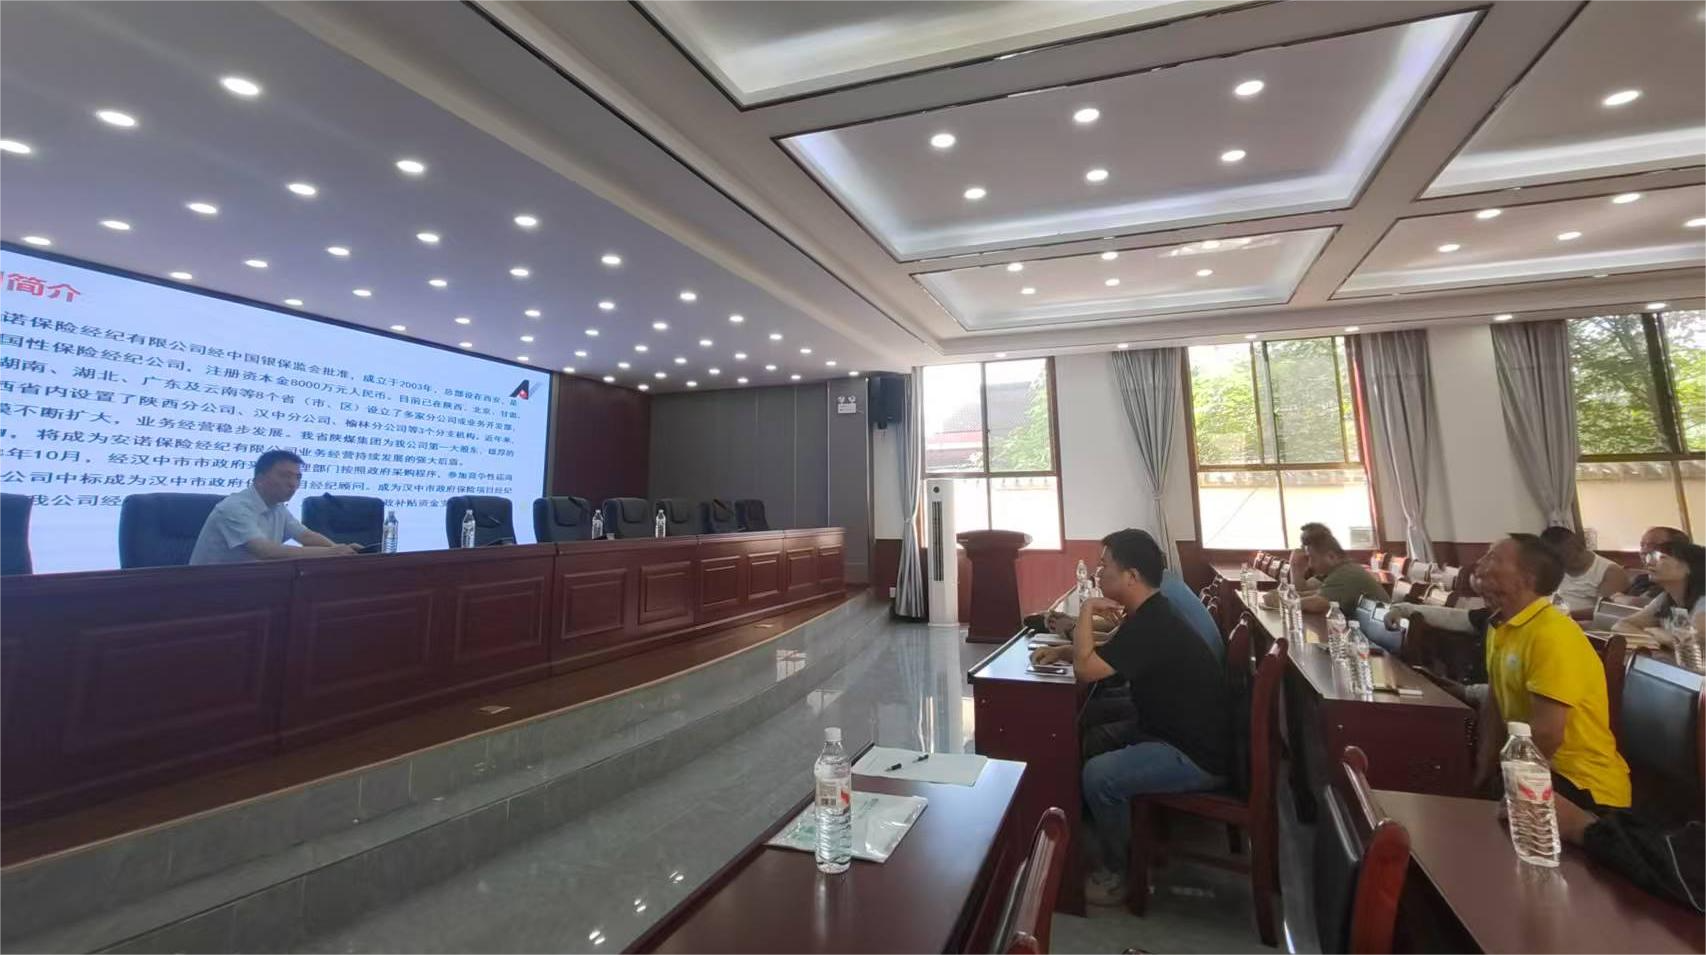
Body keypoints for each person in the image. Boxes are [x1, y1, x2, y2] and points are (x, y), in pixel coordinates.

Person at [1031, 529, 1230, 906]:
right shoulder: (1153, 612)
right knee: (1089, 735)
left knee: (1098, 774)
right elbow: (1113, 652)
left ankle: (1119, 872)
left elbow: (1087, 670)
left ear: (1131, 576)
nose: (1098, 573)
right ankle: (1087, 833)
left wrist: (1087, 609)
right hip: (1169, 729)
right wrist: (1061, 651)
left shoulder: (1154, 622)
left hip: (1194, 753)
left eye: (1104, 565)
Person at [1468, 534, 1630, 811]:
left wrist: (1509, 792)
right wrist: (1483, 770)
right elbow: (1496, 704)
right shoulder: (1501, 625)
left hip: (1581, 787)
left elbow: (1546, 734)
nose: (1480, 565)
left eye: (1493, 558)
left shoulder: (1551, 633)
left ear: (1527, 578)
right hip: (1533, 770)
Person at [188, 450, 362, 564]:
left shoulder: (277, 506)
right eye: (285, 476)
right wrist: (333, 552)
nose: (293, 484)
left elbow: (306, 536)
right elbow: (266, 551)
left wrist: (343, 550)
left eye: (298, 477)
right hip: (209, 589)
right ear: (259, 479)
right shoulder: (234, 507)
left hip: (249, 586)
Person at [1261, 522, 1386, 617]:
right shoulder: (1338, 570)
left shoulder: (1346, 573)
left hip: (1378, 639)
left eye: (1312, 558)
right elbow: (1314, 593)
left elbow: (1317, 603)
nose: (1310, 565)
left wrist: (1281, 601)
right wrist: (1284, 595)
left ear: (1331, 557)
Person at [1609, 542, 1706, 646]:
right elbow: (1620, 626)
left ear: (1688, 568)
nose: (1649, 563)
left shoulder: (1703, 601)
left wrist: (1660, 634)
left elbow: (1691, 643)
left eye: (1662, 558)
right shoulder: (1665, 598)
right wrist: (1654, 640)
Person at [1540, 525, 1628, 614]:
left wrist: (1565, 614)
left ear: (1575, 544)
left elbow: (1604, 612)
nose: (1555, 561)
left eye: (1560, 555)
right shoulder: (1556, 569)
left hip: (1579, 621)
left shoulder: (1610, 572)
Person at [1611, 526, 1690, 606]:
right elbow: (1615, 598)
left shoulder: (1686, 586)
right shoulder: (1642, 580)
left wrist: (1629, 600)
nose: (1644, 551)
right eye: (1642, 545)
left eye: (1653, 545)